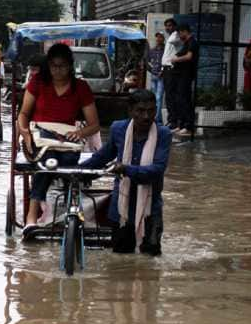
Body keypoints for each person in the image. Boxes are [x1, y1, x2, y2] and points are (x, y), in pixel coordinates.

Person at [18, 43, 100, 235]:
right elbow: (23, 114)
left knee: (70, 165)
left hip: (67, 141)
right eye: (54, 66)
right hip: (39, 140)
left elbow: (94, 124)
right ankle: (31, 217)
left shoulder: (81, 87)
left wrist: (80, 133)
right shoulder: (38, 82)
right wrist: (26, 134)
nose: (58, 70)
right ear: (49, 65)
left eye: (62, 66)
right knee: (46, 165)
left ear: (70, 66)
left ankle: (72, 210)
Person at [81, 89, 171, 256]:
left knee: (149, 262)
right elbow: (102, 157)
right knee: (120, 262)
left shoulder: (163, 134)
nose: (146, 116)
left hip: (150, 210)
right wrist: (79, 173)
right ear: (130, 111)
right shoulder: (118, 129)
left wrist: (126, 169)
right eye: (140, 111)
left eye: (151, 111)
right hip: (121, 209)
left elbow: (157, 170)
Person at [170, 24, 199, 136]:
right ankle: (181, 124)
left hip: (186, 75)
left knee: (185, 100)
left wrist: (176, 59)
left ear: (185, 31)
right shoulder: (186, 43)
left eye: (179, 33)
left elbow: (189, 56)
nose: (179, 35)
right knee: (179, 99)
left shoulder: (192, 42)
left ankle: (188, 126)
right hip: (180, 75)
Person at [161, 18, 182, 130]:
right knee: (168, 96)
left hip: (171, 69)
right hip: (166, 69)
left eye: (169, 25)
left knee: (171, 95)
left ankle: (173, 120)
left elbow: (176, 41)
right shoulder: (170, 37)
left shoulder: (176, 36)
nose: (167, 28)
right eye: (166, 26)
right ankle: (171, 119)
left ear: (174, 26)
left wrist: (177, 29)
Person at [147, 32, 165, 124]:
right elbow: (148, 62)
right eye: (157, 37)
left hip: (162, 77)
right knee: (154, 98)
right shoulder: (152, 50)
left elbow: (168, 62)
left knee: (159, 97)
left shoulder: (166, 50)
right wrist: (152, 70)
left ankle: (156, 119)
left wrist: (163, 71)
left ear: (163, 39)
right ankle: (158, 118)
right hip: (154, 76)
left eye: (160, 37)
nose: (158, 39)